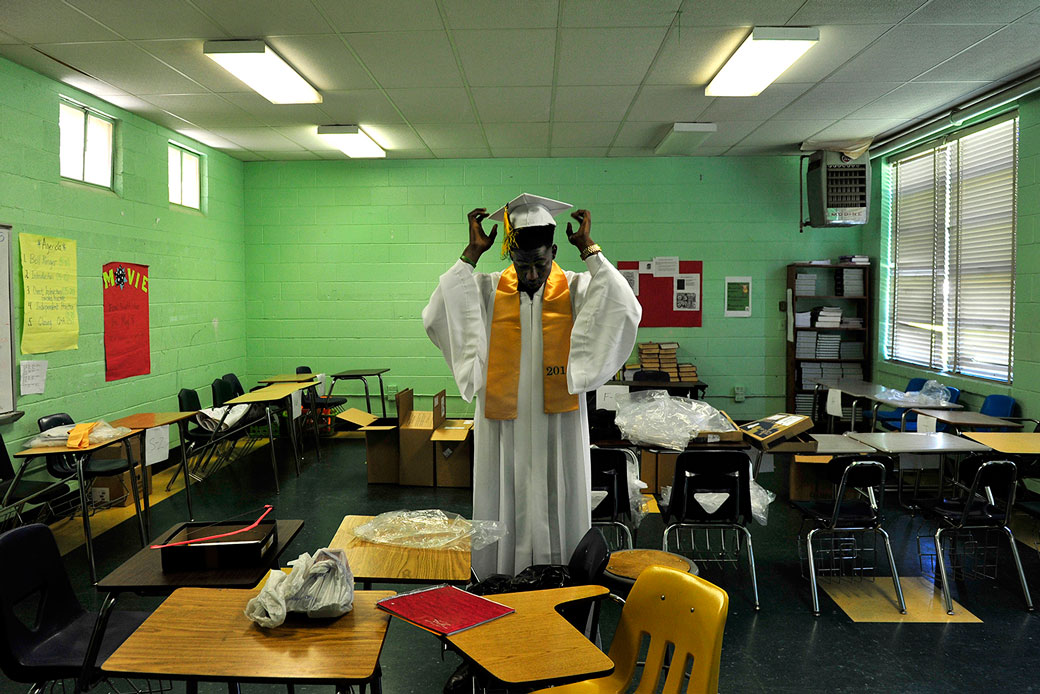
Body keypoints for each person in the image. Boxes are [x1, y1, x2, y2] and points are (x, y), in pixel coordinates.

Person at [423, 193, 641, 577]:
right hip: (502, 423)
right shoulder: (488, 290)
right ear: (509, 257)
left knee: (561, 497)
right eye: (521, 265)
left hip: (558, 422)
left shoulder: (576, 290)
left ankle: (561, 579)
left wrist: (590, 249)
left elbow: (623, 305)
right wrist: (470, 254)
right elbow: (438, 313)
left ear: (555, 251)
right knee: (504, 497)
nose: (531, 275)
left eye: (540, 264)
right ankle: (498, 577)